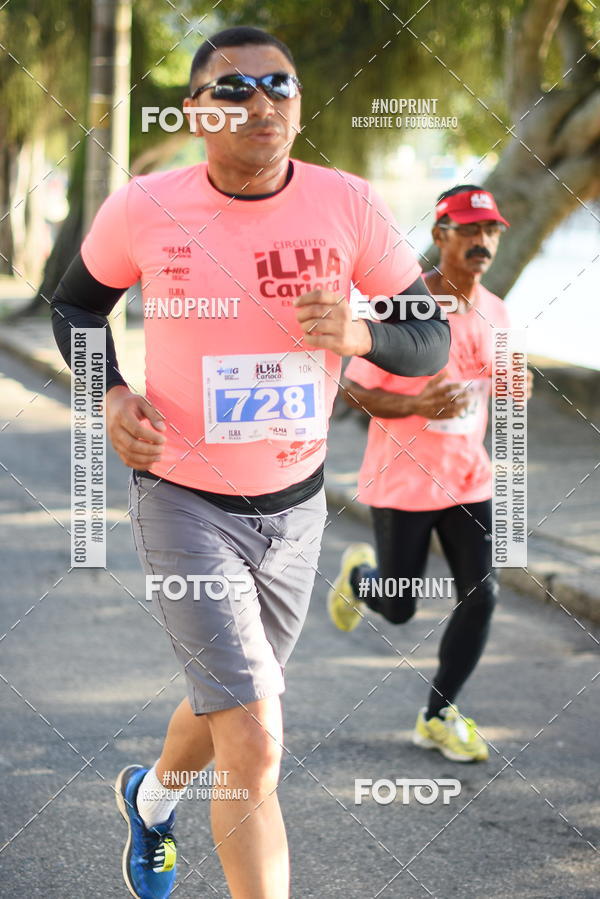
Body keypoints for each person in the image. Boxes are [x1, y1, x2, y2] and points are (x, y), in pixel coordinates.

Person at [50, 26, 450, 899]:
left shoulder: (347, 204)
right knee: (257, 736)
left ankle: (150, 801)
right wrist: (110, 395)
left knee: (231, 701)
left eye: (280, 83)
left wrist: (362, 332)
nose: (261, 101)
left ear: (300, 107)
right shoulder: (146, 207)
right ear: (196, 111)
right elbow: (75, 310)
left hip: (297, 511)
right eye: (234, 89)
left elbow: (429, 338)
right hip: (183, 501)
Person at [330, 184, 531, 763]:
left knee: (483, 595)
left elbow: (504, 384)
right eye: (468, 229)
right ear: (440, 234)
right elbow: (351, 390)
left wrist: (517, 382)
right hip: (403, 483)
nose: (482, 241)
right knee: (400, 606)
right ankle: (362, 579)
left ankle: (439, 714)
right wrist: (418, 406)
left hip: (470, 481)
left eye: (490, 230)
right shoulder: (405, 307)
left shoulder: (495, 310)